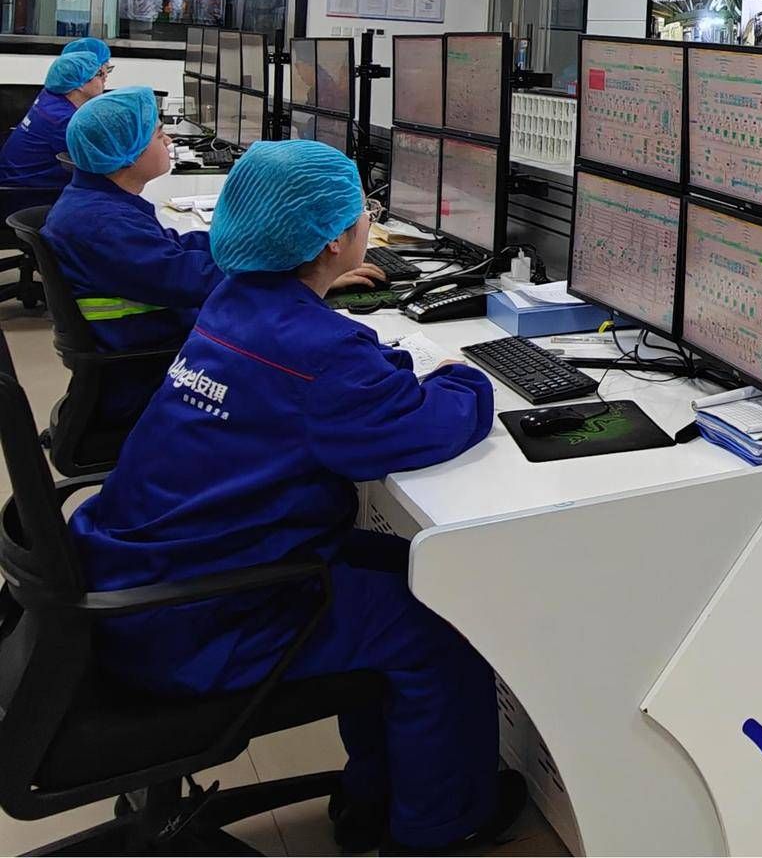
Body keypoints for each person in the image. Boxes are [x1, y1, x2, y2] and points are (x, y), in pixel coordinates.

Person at [69, 140, 520, 856]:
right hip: (202, 621)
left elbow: (328, 379)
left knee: (402, 565)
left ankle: (378, 794)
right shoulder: (321, 358)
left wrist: (370, 358)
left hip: (138, 576)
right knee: (441, 618)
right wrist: (463, 371)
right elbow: (435, 423)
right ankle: (441, 826)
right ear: (336, 240)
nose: (368, 221)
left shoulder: (231, 302)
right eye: (363, 211)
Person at [45, 90, 386, 425]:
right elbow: (189, 279)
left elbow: (172, 247)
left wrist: (245, 238)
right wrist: (307, 275)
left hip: (145, 351)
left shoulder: (98, 205)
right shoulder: (102, 224)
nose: (167, 141)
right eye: (159, 134)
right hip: (146, 373)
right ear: (127, 153)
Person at [0, 48, 107, 192]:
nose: (105, 77)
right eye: (99, 74)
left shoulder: (50, 96)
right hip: (25, 192)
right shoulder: (62, 120)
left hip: (14, 176)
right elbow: (102, 159)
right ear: (80, 84)